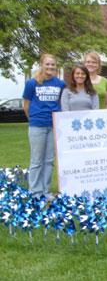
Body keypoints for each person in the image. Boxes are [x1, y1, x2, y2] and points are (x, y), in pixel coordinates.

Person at [22, 54, 66, 199]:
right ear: (41, 64)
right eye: (47, 64)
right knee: (36, 160)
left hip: (53, 126)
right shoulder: (32, 83)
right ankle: (35, 192)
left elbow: (62, 103)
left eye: (53, 64)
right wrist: (34, 119)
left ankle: (46, 191)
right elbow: (26, 106)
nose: (50, 67)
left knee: (49, 161)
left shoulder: (60, 84)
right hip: (37, 126)